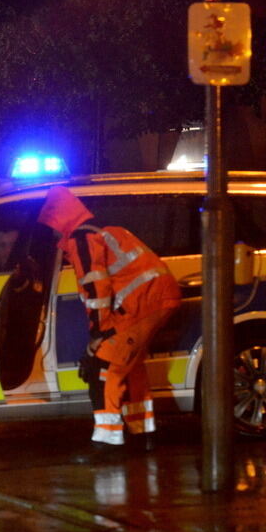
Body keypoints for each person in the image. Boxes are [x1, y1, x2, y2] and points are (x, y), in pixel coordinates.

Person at [37, 185, 180, 452]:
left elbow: (96, 290)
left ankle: (107, 439)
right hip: (154, 299)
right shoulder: (105, 232)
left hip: (143, 302)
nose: (52, 232)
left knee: (103, 365)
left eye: (51, 223)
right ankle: (142, 431)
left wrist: (98, 334)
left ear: (59, 217)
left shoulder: (82, 240)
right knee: (130, 363)